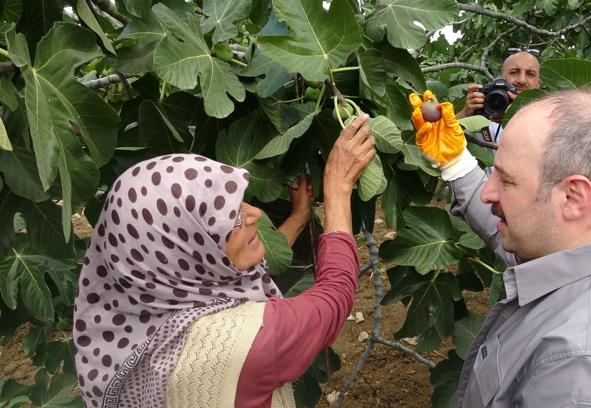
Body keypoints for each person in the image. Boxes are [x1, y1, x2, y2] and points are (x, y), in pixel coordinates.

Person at [410, 89, 591, 406]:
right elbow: (532, 230)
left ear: (573, 197)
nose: (488, 193)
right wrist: (455, 162)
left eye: (507, 181)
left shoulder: (585, 378)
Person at [73, 115, 376, 408]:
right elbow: (334, 296)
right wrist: (338, 186)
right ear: (191, 249)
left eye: (236, 203)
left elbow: (244, 269)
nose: (255, 214)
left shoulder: (133, 316)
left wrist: (298, 217)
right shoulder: (243, 343)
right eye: (228, 220)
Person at [456, 49, 541, 148]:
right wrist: (464, 114)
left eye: (530, 74)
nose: (522, 80)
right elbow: (440, 145)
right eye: (514, 72)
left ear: (538, 84)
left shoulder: (550, 117)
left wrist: (520, 117)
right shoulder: (484, 109)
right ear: (501, 79)